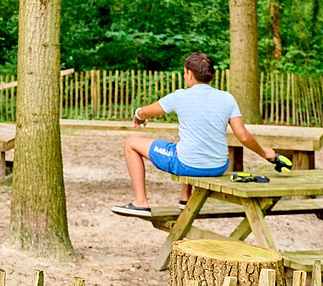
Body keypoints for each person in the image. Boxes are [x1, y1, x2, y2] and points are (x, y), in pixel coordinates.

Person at [114, 52, 278, 216]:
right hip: (218, 166)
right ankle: (186, 198)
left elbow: (144, 112)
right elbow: (243, 136)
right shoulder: (227, 98)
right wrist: (265, 153)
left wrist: (138, 116)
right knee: (187, 144)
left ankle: (140, 202)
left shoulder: (180, 96)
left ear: (189, 74)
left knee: (131, 143)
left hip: (188, 165)